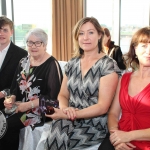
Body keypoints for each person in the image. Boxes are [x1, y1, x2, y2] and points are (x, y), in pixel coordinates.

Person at [39, 17, 121, 150]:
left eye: (91, 32)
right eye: (81, 33)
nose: (85, 38)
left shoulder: (108, 65)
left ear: (100, 35)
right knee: (57, 131)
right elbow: (63, 95)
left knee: (60, 138)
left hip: (94, 124)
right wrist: (65, 109)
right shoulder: (72, 63)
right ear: (77, 37)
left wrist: (70, 114)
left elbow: (102, 107)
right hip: (69, 117)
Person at [0, 28, 63, 150]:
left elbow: (54, 100)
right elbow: (14, 88)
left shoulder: (51, 64)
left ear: (44, 45)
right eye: (30, 42)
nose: (33, 46)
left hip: (40, 111)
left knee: (6, 126)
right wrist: (11, 99)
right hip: (20, 107)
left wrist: (28, 105)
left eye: (37, 43)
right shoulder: (23, 62)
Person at [99, 27, 150, 150]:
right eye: (144, 46)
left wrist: (128, 136)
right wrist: (116, 136)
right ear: (135, 49)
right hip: (119, 137)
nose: (149, 51)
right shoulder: (125, 78)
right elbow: (113, 113)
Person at [0, 16, 27, 110]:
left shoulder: (22, 54)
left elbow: (21, 81)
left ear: (12, 32)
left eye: (5, 30)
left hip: (9, 102)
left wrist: (4, 92)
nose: (1, 33)